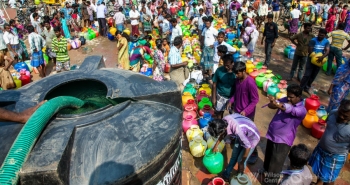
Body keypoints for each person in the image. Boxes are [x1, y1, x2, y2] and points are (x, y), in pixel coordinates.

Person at [262, 84, 307, 184]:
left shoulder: (302, 110)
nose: (288, 99)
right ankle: (265, 170)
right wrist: (273, 102)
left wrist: (278, 104)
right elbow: (271, 106)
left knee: (276, 163)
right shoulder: (285, 99)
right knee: (269, 156)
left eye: (291, 97)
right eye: (288, 96)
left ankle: (271, 182)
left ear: (298, 97)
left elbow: (289, 109)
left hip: (283, 139)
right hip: (272, 134)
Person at [308, 99, 350, 185]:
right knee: (320, 172)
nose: (341, 117)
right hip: (321, 149)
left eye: (345, 116)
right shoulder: (333, 113)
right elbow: (327, 123)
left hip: (335, 156)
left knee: (329, 179)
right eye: (340, 112)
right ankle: (318, 182)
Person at [208, 115, 260, 182]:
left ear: (223, 129)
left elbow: (248, 147)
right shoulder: (223, 122)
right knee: (234, 156)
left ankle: (240, 177)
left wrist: (242, 162)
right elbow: (222, 134)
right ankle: (226, 175)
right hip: (242, 135)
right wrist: (215, 146)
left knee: (240, 160)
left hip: (252, 138)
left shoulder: (237, 130)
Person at [299, 29, 330, 94]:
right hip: (312, 59)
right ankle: (300, 88)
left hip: (320, 60)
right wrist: (315, 57)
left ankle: (307, 87)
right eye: (319, 34)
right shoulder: (313, 40)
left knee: (313, 75)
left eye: (322, 35)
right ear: (318, 33)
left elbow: (327, 51)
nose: (320, 36)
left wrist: (322, 57)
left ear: (325, 36)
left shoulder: (326, 41)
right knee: (307, 74)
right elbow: (310, 50)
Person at [212, 54, 236, 119]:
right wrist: (214, 98)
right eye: (225, 65)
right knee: (219, 113)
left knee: (233, 114)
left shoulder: (236, 72)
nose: (226, 67)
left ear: (232, 63)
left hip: (232, 97)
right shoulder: (219, 70)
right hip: (220, 95)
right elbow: (214, 84)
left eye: (228, 66)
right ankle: (220, 125)